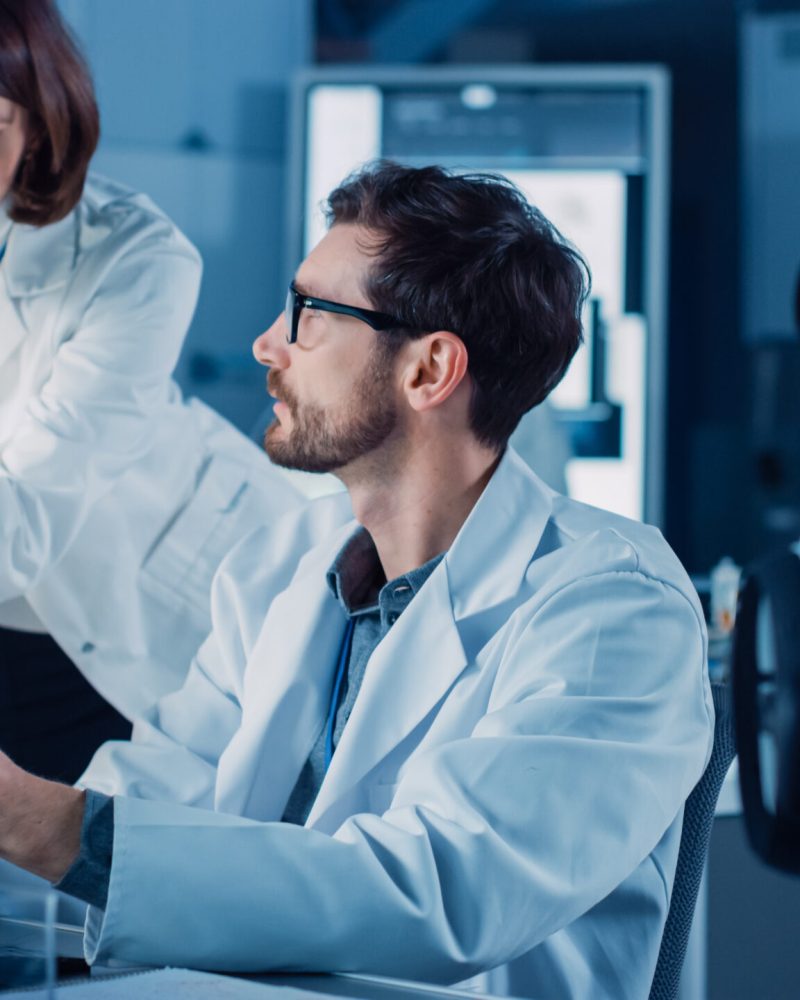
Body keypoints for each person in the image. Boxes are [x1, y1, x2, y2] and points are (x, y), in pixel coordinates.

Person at [0, 162, 713, 1000]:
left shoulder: (612, 605)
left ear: (428, 370)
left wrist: (29, 817)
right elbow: (143, 807)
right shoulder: (279, 568)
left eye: (307, 316)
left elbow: (440, 893)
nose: (268, 345)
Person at [0, 0, 299, 783]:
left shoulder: (136, 257)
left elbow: (29, 516)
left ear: (39, 124)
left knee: (115, 866)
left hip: (135, 610)